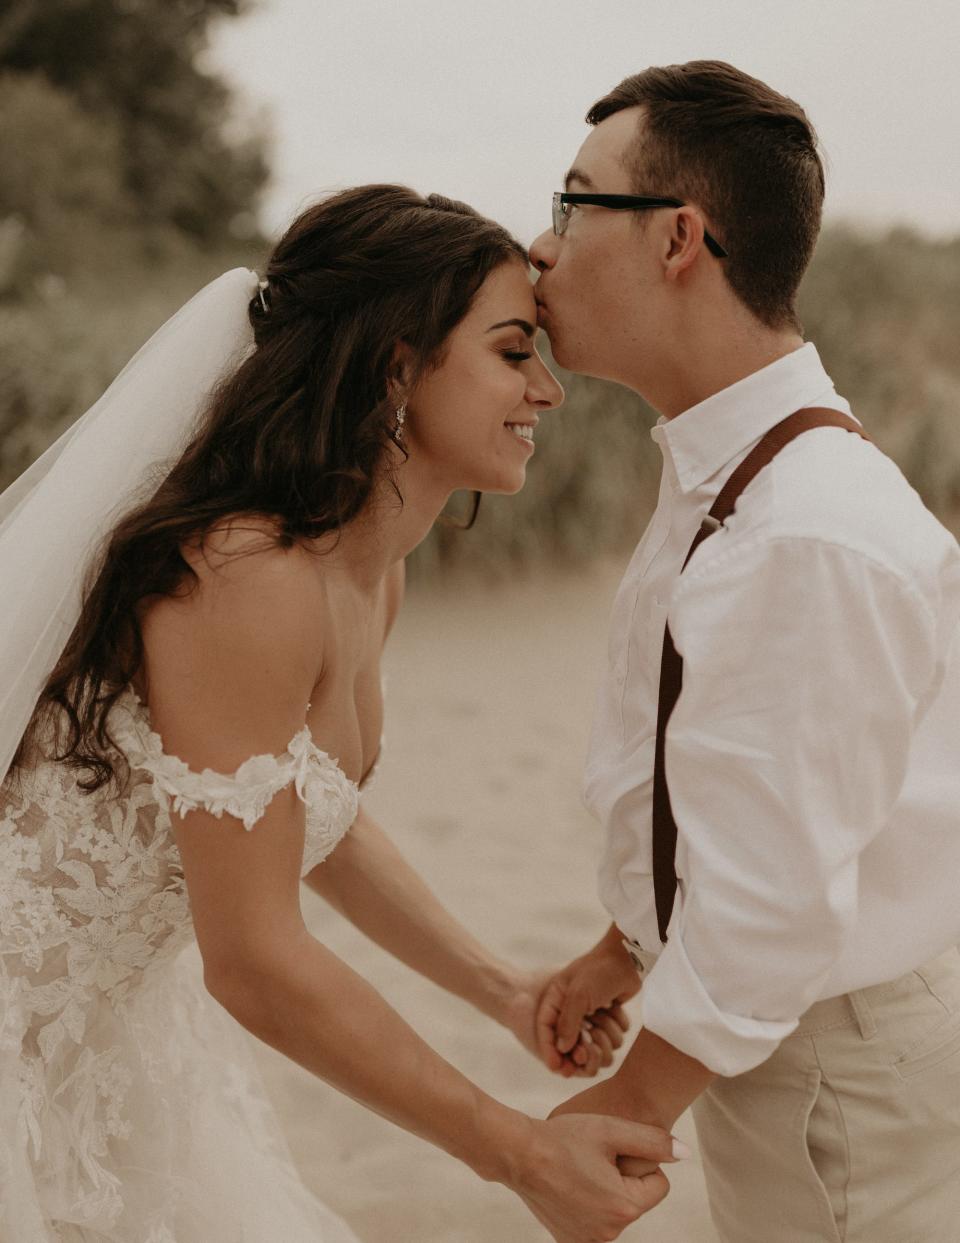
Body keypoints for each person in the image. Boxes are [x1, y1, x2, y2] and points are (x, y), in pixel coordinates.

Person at [0, 184, 688, 1243]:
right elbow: (254, 958)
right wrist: (515, 1150)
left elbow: (299, 809)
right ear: (396, 366)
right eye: (513, 351)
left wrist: (502, 988)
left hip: (107, 1033)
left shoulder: (369, 570)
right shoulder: (247, 575)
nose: (549, 390)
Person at [529, 60, 960, 1243]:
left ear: (679, 236)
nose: (541, 248)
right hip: (791, 1033)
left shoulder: (806, 529)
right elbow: (740, 789)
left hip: (833, 1063)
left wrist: (625, 1103)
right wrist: (626, 947)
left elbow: (774, 902)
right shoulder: (741, 468)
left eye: (572, 203)